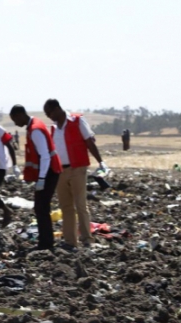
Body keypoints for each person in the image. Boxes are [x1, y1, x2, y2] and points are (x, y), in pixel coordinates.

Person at [44, 99, 108, 249]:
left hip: (78, 168)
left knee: (80, 204)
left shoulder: (77, 121)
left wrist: (101, 162)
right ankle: (70, 241)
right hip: (61, 171)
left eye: (49, 113)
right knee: (66, 206)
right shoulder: (53, 129)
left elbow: (89, 142)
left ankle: (87, 239)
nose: (49, 117)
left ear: (57, 109)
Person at [9, 105, 62, 251]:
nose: (15, 123)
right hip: (48, 172)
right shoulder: (34, 126)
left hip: (49, 171)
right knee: (41, 207)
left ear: (20, 115)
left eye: (15, 119)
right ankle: (45, 242)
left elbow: (45, 156)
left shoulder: (35, 130)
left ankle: (46, 244)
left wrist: (42, 179)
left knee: (41, 208)